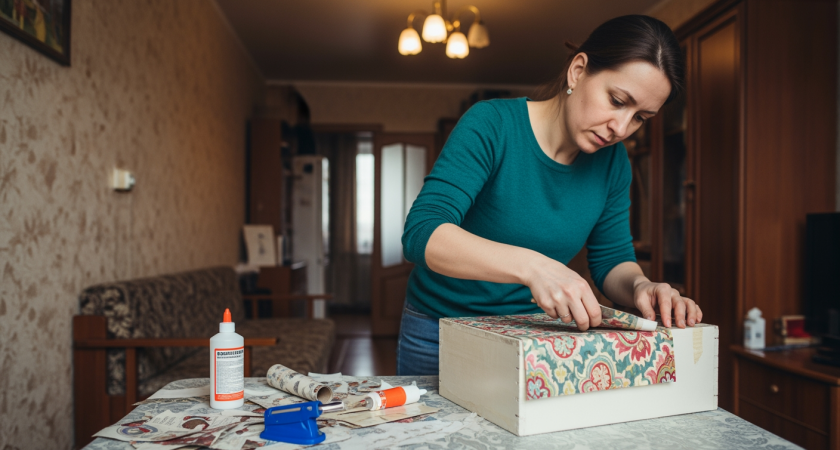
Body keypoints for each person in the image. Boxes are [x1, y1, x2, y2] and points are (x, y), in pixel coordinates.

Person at [397, 15, 701, 376]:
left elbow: (612, 258)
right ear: (578, 70)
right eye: (618, 100)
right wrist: (534, 267)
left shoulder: (613, 162)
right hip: (437, 330)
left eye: (640, 118)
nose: (621, 128)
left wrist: (641, 286)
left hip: (533, 335)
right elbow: (422, 232)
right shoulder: (492, 125)